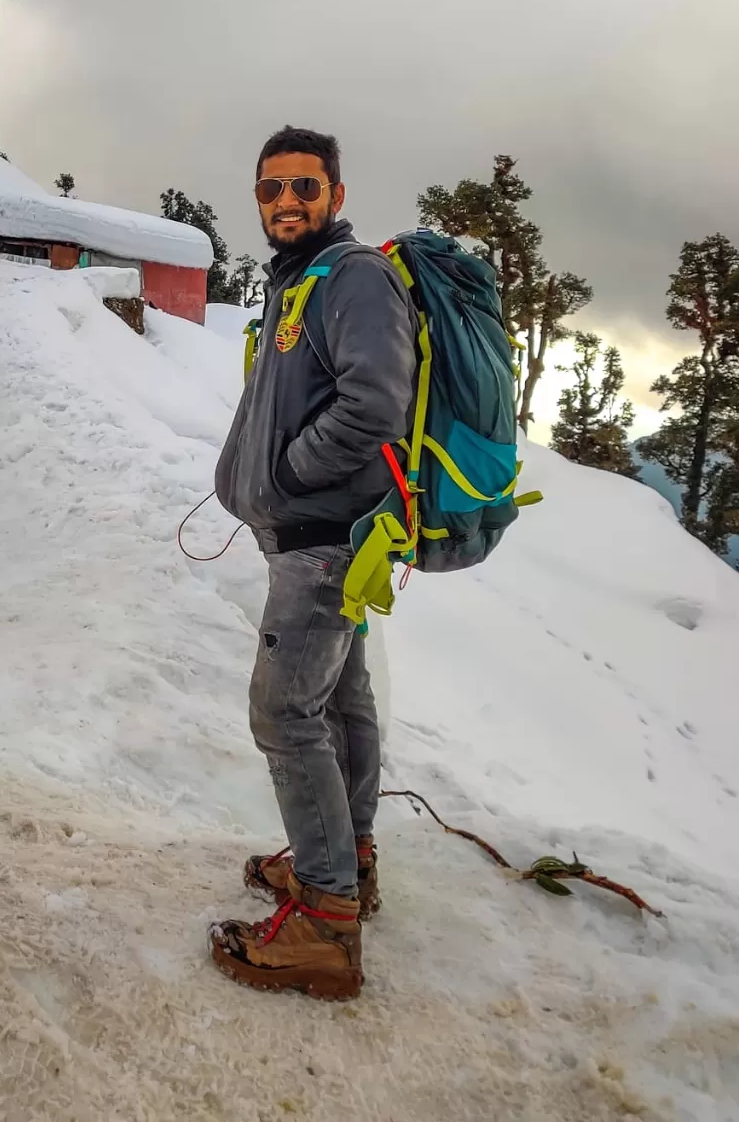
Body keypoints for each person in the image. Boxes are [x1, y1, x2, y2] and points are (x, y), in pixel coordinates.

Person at [209, 126, 417, 1001]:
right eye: (269, 189)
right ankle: (349, 865)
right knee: (340, 700)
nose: (284, 201)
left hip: (323, 541)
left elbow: (375, 401)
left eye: (302, 186)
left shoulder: (354, 276)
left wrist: (289, 477)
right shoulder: (299, 280)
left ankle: (327, 923)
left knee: (284, 713)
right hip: (320, 536)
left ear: (334, 190)